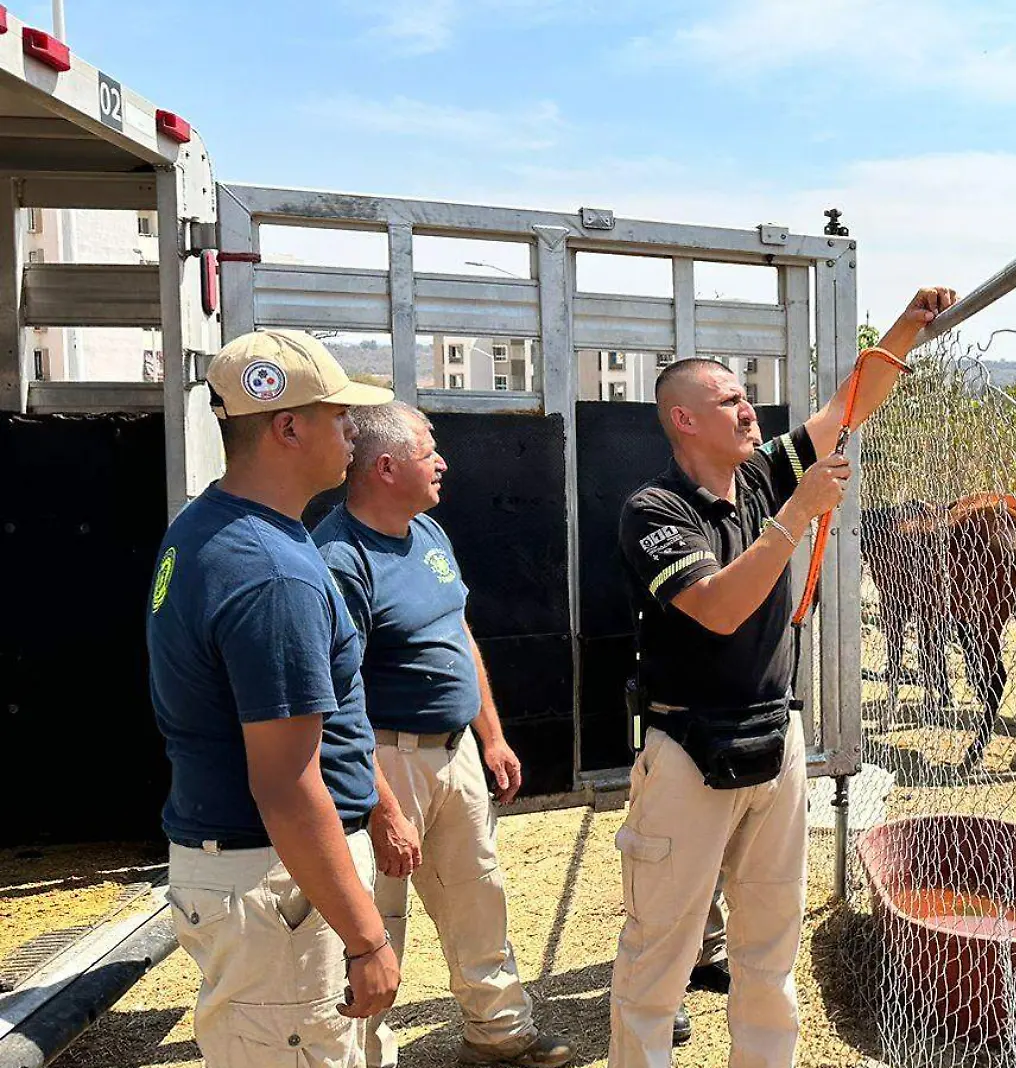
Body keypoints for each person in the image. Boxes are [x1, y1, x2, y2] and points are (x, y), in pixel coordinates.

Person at [609, 286, 956, 1066]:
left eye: (745, 395)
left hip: (776, 735)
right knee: (657, 959)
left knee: (769, 948)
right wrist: (797, 515)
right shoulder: (656, 512)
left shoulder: (762, 476)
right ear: (683, 420)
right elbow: (720, 608)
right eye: (728, 399)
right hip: (688, 752)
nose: (747, 409)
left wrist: (905, 327)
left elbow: (848, 406)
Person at [148, 329, 399, 1067]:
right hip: (276, 883)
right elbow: (286, 786)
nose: (353, 430)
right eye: (338, 415)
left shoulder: (211, 527)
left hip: (258, 874)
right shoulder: (270, 572)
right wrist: (368, 937)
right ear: (287, 427)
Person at [313, 402, 576, 1068]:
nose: (443, 462)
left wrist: (490, 736)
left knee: (478, 900)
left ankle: (498, 1036)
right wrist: (381, 808)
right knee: (377, 921)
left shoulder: (427, 533)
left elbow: (456, 634)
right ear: (385, 466)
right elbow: (334, 699)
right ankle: (365, 1055)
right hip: (385, 762)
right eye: (429, 450)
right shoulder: (339, 559)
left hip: (454, 753)